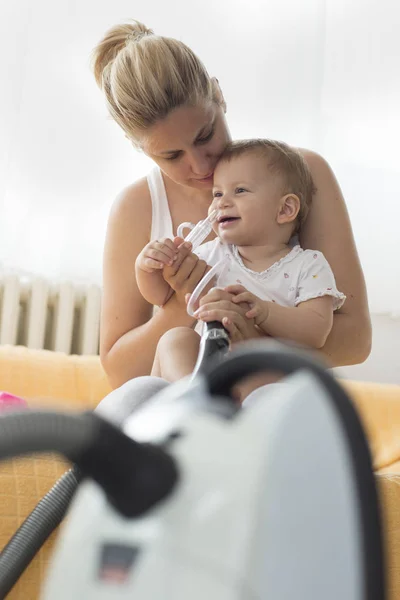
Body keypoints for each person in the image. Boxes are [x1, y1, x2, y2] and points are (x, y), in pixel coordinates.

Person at [92, 19, 371, 391]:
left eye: (205, 134)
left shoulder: (301, 175)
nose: (202, 165)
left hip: (269, 397)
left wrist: (251, 339)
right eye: (172, 156)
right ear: (139, 148)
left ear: (218, 96)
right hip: (175, 403)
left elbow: (355, 339)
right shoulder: (135, 208)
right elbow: (121, 373)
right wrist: (181, 301)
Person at [135, 139, 345, 386]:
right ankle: (191, 397)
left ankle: (205, 404)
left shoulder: (308, 264)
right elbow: (161, 296)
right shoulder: (210, 254)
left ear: (285, 209)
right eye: (217, 193)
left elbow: (316, 331)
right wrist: (148, 267)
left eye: (240, 190)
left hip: (260, 380)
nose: (220, 202)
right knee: (175, 339)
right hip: (206, 369)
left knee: (289, 381)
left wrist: (264, 312)